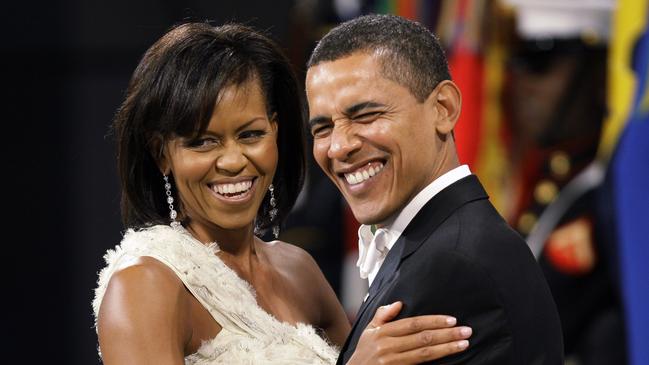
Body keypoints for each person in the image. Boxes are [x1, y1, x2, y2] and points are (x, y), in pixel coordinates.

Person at [92, 22, 473, 364]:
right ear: (162, 155)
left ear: (276, 132)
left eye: (250, 135)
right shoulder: (143, 283)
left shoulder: (300, 270)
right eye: (203, 142)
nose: (232, 161)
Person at [305, 14, 564, 364]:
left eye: (365, 115)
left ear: (444, 108)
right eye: (322, 128)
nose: (338, 146)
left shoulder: (449, 267)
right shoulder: (449, 243)